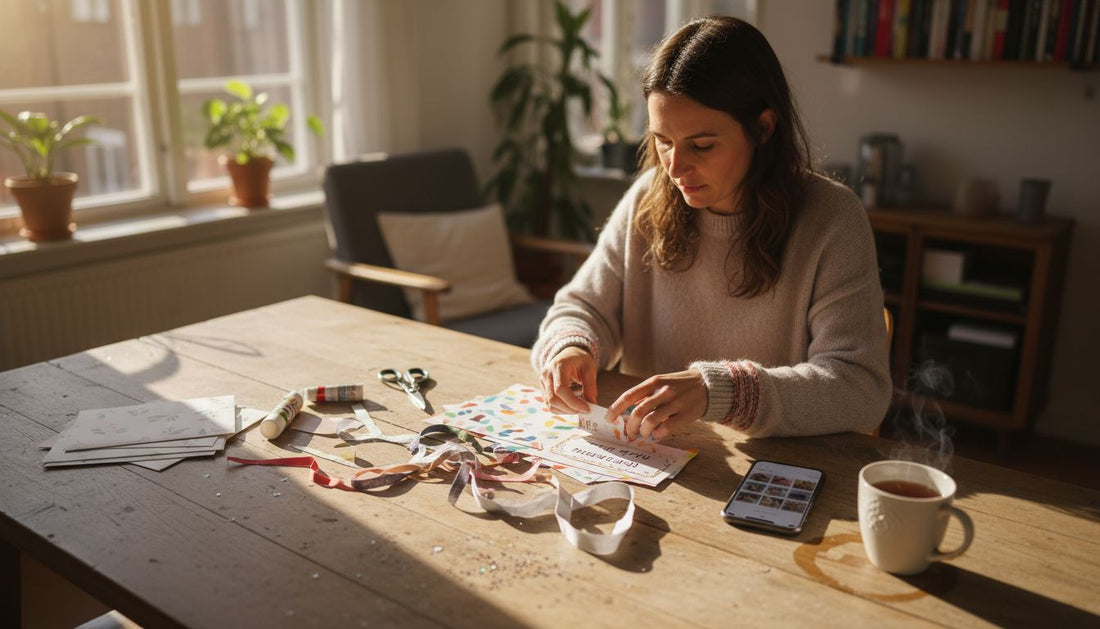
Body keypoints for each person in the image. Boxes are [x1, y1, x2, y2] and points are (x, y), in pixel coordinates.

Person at [532, 16, 891, 441]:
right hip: (653, 456)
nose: (675, 167)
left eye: (701, 145)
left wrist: (720, 392)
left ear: (763, 128)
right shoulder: (650, 195)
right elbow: (581, 308)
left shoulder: (832, 218)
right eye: (662, 140)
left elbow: (860, 388)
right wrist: (571, 346)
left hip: (771, 466)